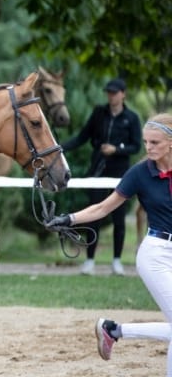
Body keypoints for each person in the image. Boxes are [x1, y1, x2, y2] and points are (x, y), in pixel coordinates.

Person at [47, 113, 172, 377]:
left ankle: (116, 332)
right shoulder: (140, 173)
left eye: (155, 142)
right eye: (145, 142)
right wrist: (69, 219)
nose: (149, 147)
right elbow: (104, 207)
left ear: (170, 142)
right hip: (156, 253)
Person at [61, 78, 142, 275]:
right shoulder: (99, 114)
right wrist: (59, 148)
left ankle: (116, 261)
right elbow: (82, 137)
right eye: (109, 92)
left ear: (123, 94)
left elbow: (136, 146)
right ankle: (89, 260)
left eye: (114, 93)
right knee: (93, 215)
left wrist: (116, 149)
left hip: (120, 173)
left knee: (119, 218)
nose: (111, 96)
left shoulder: (131, 118)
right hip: (98, 170)